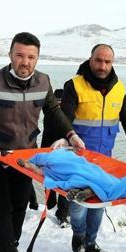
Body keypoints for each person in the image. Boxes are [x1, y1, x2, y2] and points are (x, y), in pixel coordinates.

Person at [0, 32, 83, 252]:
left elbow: (53, 110)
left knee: (20, 206)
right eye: (20, 55)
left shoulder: (43, 81)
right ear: (10, 55)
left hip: (24, 156)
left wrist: (71, 134)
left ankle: (12, 245)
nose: (25, 62)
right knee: (1, 209)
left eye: (31, 57)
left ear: (37, 58)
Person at [60, 44, 126, 252]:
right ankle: (78, 232)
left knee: (98, 204)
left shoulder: (119, 88)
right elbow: (64, 117)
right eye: (98, 60)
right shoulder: (75, 85)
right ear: (90, 59)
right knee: (78, 207)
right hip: (78, 159)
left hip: (104, 159)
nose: (102, 66)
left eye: (107, 62)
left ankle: (91, 242)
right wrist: (63, 137)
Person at [40, 88, 70, 227]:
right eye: (56, 102)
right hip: (50, 152)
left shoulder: (68, 118)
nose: (59, 105)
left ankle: (62, 214)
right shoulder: (49, 115)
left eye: (61, 102)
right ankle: (51, 204)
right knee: (49, 181)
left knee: (66, 185)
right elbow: (46, 137)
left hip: (65, 155)